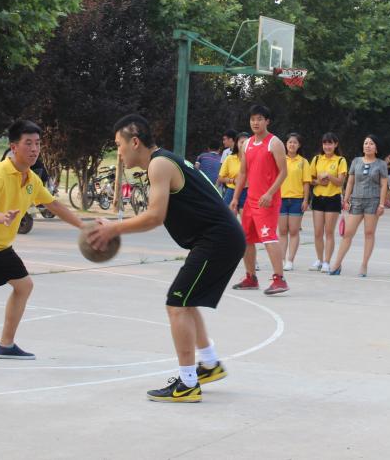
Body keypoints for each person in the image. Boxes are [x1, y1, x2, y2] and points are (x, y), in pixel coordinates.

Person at [88, 114, 245, 403]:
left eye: (119, 145)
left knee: (176, 303)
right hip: (219, 238)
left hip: (218, 240)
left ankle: (187, 384)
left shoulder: (158, 164)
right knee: (185, 300)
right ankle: (209, 363)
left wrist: (113, 228)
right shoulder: (164, 160)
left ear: (135, 142)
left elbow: (154, 217)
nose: (118, 152)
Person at [0, 120, 83, 373]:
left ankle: (6, 345)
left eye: (38, 144)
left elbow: (54, 205)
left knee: (24, 286)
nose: (34, 149)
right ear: (13, 147)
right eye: (28, 143)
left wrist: (83, 227)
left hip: (0, 245)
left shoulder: (31, 179)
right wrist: (2, 217)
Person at [230, 106, 288, 294]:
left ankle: (279, 279)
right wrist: (235, 197)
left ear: (267, 121)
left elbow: (283, 172)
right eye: (253, 119)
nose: (255, 122)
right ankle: (251, 277)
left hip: (267, 201)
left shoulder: (274, 143)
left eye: (260, 119)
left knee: (269, 237)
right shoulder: (246, 144)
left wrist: (270, 193)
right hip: (250, 200)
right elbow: (243, 173)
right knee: (245, 239)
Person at [329, 134, 389, 276]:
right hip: (356, 201)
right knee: (347, 233)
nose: (368, 146)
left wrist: (381, 204)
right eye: (366, 143)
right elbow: (350, 182)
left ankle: (364, 265)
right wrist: (346, 199)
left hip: (373, 202)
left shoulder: (381, 164)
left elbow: (384, 185)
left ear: (376, 148)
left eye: (371, 144)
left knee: (369, 233)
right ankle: (337, 263)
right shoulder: (356, 161)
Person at [308, 132, 347, 272]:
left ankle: (327, 261)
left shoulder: (340, 160)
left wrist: (329, 176)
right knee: (318, 232)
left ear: (335, 145)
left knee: (329, 232)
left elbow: (340, 182)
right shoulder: (317, 159)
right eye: (325, 143)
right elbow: (310, 179)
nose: (327, 146)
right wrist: (319, 182)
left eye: (330, 143)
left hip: (332, 199)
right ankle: (319, 259)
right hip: (318, 198)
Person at [278, 133, 312, 272]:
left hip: (297, 200)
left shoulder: (303, 162)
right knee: (282, 231)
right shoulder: (279, 159)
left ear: (299, 145)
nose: (292, 145)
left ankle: (290, 260)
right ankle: (281, 260)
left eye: (295, 142)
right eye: (290, 142)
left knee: (293, 231)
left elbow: (306, 182)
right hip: (280, 199)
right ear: (285, 144)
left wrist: (305, 200)